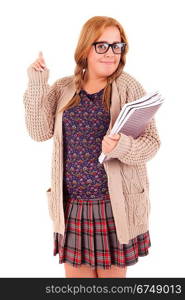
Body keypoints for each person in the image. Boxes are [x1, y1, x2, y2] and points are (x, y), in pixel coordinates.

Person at [23, 16, 161, 278]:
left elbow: (152, 143)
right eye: (102, 46)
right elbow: (39, 132)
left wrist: (122, 146)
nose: (111, 54)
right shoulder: (64, 88)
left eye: (117, 46)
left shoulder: (128, 86)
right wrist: (37, 82)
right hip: (71, 207)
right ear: (85, 48)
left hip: (114, 207)